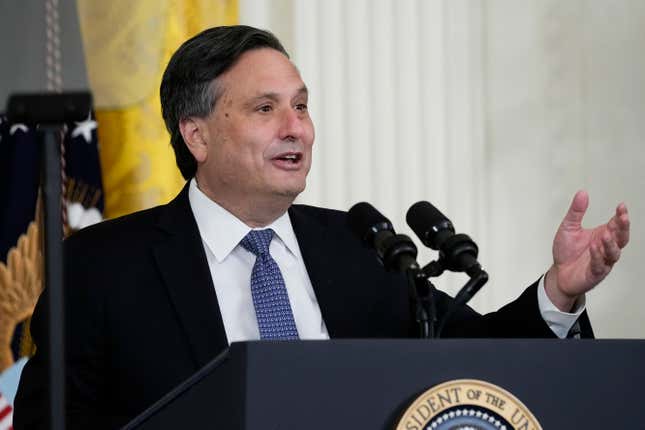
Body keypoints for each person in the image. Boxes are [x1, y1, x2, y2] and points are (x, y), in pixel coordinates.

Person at [14, 25, 630, 429]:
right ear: (196, 134)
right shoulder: (102, 269)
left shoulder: (363, 250)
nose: (296, 127)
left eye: (302, 106)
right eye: (265, 108)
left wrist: (559, 293)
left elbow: (479, 368)